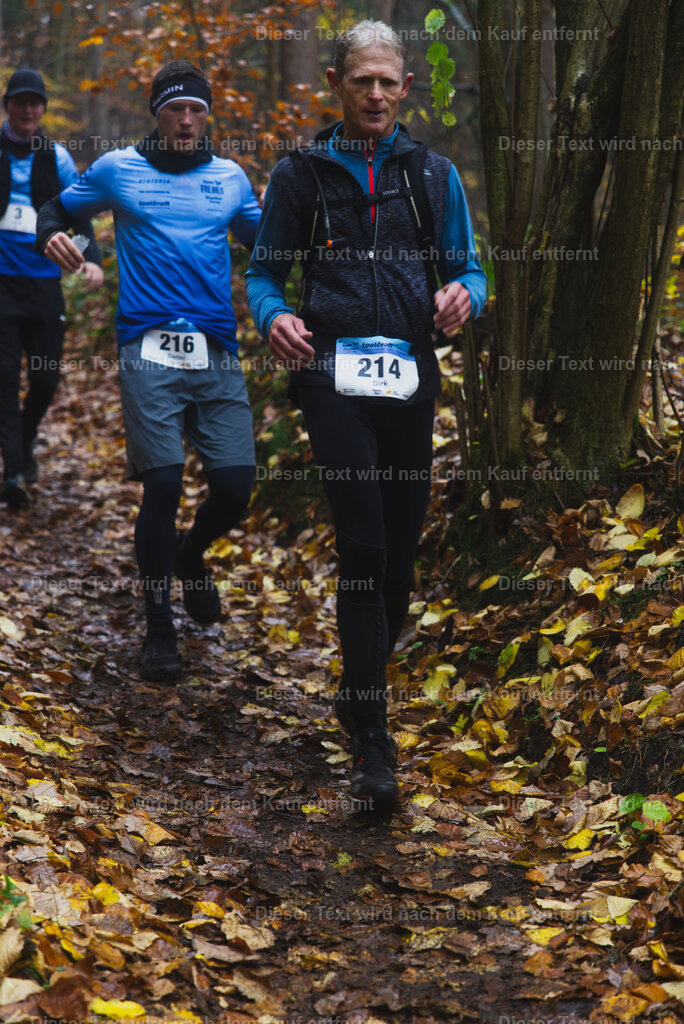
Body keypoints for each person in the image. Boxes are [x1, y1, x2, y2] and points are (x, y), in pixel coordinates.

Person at [246, 21, 486, 809]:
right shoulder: (301, 176)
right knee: (363, 542)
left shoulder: (434, 175)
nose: (376, 94)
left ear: (405, 88)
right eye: (362, 82)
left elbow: (468, 269)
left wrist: (465, 296)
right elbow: (264, 273)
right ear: (338, 86)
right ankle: (373, 743)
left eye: (388, 81)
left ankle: (357, 687)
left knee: (399, 562)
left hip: (409, 372)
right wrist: (274, 315)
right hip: (330, 371)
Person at [37, 60, 261, 682]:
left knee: (236, 486)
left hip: (216, 349)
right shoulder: (117, 170)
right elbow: (56, 211)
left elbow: (270, 247)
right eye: (175, 110)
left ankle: (191, 556)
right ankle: (159, 624)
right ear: (157, 114)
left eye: (196, 111)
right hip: (146, 348)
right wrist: (54, 237)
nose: (186, 121)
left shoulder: (231, 178)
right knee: (163, 483)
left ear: (207, 117)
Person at [0, 69, 103, 509]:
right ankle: (15, 471)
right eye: (20, 101)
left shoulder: (56, 156)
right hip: (1, 284)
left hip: (43, 284)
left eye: (35, 103)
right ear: (8, 105)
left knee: (45, 378)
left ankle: (24, 440)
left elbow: (77, 209)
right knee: (4, 380)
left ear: (42, 109)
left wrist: (92, 258)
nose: (27, 110)